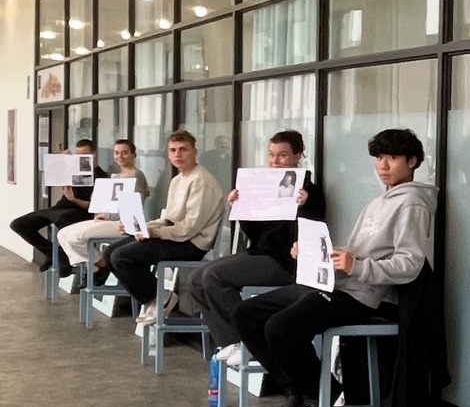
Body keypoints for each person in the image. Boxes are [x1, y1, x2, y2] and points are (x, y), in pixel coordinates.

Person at [232, 128, 437, 407]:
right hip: (335, 283)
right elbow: (358, 253)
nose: (383, 165)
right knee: (245, 314)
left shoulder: (412, 204)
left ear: (413, 161)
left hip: (360, 295)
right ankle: (299, 388)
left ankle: (320, 390)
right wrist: (316, 253)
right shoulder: (380, 201)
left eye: (393, 157)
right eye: (379, 157)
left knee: (279, 327)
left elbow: (410, 264)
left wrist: (357, 267)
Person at [190, 130, 326, 367]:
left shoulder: (310, 192)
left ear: (298, 156)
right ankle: (229, 340)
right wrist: (241, 208)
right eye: (271, 155)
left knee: (214, 276)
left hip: (285, 262)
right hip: (261, 253)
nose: (275, 161)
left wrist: (305, 205)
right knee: (196, 279)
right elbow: (256, 234)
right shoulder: (266, 187)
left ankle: (247, 340)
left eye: (283, 155)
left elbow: (312, 229)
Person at [103, 130, 225, 323]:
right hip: (175, 236)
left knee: (122, 257)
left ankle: (160, 298)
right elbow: (169, 218)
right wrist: (140, 227)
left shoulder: (201, 181)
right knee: (110, 252)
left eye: (183, 149)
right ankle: (155, 298)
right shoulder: (177, 179)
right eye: (173, 150)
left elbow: (189, 229)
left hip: (191, 244)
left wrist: (153, 232)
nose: (178, 155)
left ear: (194, 152)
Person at [57, 139, 149, 286]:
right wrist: (101, 213)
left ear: (133, 154)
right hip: (107, 219)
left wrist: (107, 215)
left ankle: (100, 265)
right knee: (62, 234)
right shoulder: (115, 176)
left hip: (124, 224)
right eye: (117, 153)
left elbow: (132, 208)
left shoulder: (136, 176)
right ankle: (100, 266)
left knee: (75, 237)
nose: (120, 156)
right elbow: (103, 202)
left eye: (125, 153)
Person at [10, 139, 107, 277]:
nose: (81, 159)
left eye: (85, 155)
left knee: (62, 218)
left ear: (94, 154)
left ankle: (65, 260)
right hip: (61, 207)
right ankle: (53, 253)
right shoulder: (75, 170)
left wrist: (74, 200)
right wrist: (62, 162)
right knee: (18, 224)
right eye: (78, 155)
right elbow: (57, 177)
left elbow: (94, 206)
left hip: (81, 212)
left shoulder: (101, 177)